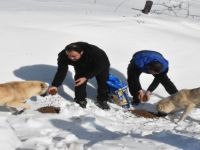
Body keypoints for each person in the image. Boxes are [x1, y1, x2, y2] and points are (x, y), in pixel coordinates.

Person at [48, 42, 110, 110]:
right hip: (80, 64)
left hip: (100, 64)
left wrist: (86, 77)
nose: (71, 58)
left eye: (74, 56)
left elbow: (101, 66)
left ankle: (102, 99)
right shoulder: (63, 56)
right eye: (69, 56)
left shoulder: (95, 53)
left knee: (102, 81)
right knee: (79, 80)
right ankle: (80, 99)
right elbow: (61, 71)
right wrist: (55, 85)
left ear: (81, 52)